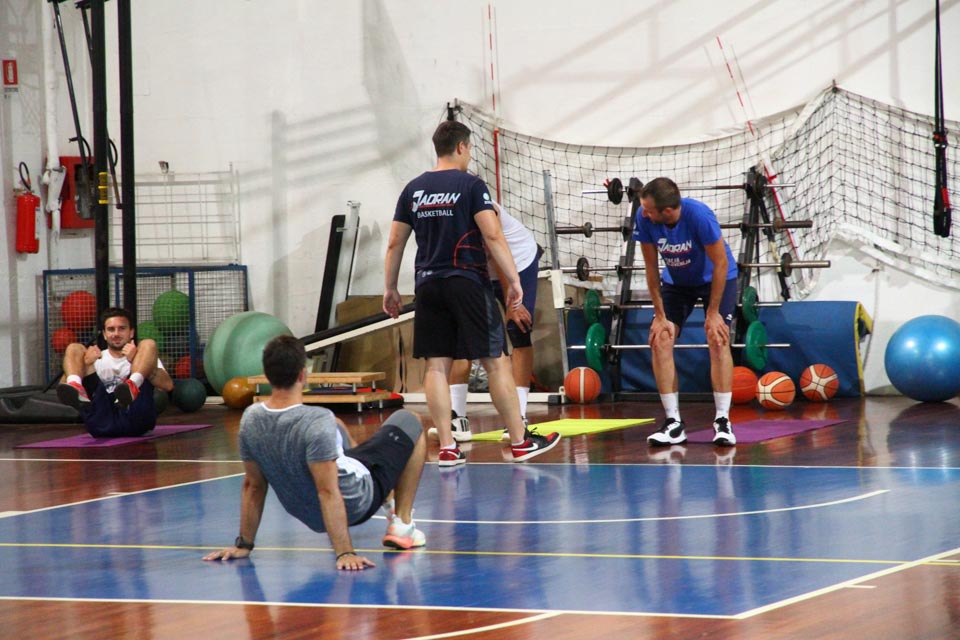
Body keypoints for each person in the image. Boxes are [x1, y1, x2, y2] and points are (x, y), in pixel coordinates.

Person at [383, 119, 560, 466]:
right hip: (467, 282)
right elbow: (493, 235)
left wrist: (390, 288)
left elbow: (394, 243)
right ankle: (520, 442)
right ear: (462, 147)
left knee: (436, 366)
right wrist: (514, 281)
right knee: (496, 361)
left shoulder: (412, 190)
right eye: (469, 150)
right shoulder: (471, 185)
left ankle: (448, 447)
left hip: (427, 283)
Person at [203, 335, 428, 571]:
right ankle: (402, 524)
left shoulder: (250, 419)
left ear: (267, 376)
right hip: (357, 502)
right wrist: (345, 553)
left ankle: (388, 498)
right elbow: (327, 491)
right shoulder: (318, 420)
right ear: (303, 375)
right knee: (410, 420)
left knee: (337, 426)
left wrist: (244, 544)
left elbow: (253, 486)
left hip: (308, 516)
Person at [633, 177, 738, 446]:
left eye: (649, 210)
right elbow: (651, 268)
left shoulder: (699, 216)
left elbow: (721, 263)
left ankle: (723, 421)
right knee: (661, 339)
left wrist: (713, 313)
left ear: (667, 211)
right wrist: (659, 315)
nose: (644, 213)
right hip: (677, 284)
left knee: (717, 337)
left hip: (716, 279)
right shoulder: (644, 219)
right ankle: (673, 424)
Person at [431, 200, 542, 443]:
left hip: (516, 262)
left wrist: (513, 302)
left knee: (518, 328)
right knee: (459, 338)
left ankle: (519, 417)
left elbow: (495, 250)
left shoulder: (483, 206)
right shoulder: (440, 210)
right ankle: (457, 418)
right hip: (477, 270)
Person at [57, 307, 174, 437]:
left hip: (135, 419)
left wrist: (135, 360)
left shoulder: (143, 357)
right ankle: (76, 383)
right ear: (104, 334)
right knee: (74, 348)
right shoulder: (97, 357)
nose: (116, 334)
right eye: (111, 329)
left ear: (131, 332)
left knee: (148, 343)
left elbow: (168, 385)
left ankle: (133, 383)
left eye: (122, 328)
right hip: (101, 422)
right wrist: (86, 364)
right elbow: (63, 389)